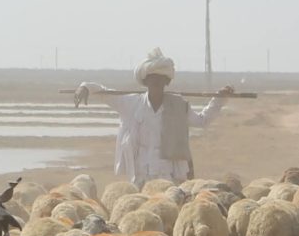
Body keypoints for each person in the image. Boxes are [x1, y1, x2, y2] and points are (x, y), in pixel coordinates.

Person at [80, 49, 222, 181]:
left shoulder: (179, 106)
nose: (156, 81)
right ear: (145, 80)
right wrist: (85, 87)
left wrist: (219, 99)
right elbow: (104, 93)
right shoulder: (131, 103)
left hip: (169, 177)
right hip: (140, 176)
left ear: (167, 81)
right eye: (152, 77)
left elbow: (202, 120)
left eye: (160, 78)